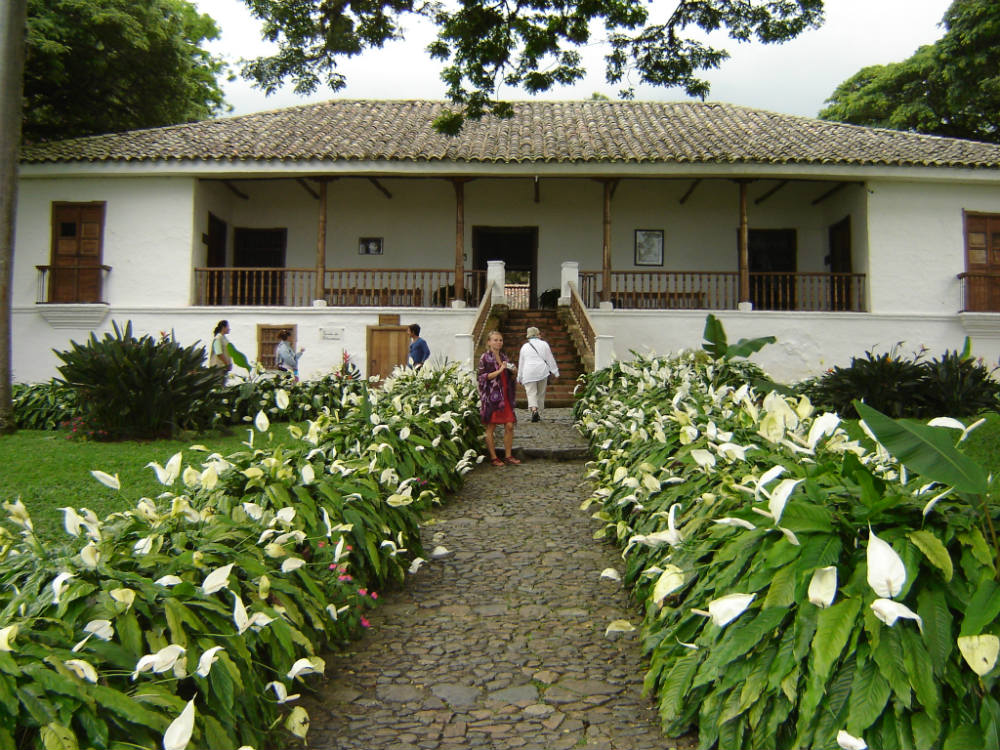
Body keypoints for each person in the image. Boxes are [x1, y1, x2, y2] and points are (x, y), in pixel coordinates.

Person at [477, 330, 520, 466]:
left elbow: (508, 378)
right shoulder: (485, 358)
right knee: (491, 427)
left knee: (509, 425)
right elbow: (482, 377)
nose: (498, 342)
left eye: (500, 340)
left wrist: (513, 372)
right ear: (489, 342)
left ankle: (508, 455)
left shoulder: (504, 357)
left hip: (505, 397)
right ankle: (494, 457)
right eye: (495, 340)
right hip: (492, 398)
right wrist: (499, 371)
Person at [517, 326, 560, 422]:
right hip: (542, 371)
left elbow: (521, 363)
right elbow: (550, 359)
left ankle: (534, 410)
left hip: (528, 372)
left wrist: (519, 377)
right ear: (538, 334)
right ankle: (538, 412)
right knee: (540, 393)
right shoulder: (544, 344)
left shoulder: (524, 347)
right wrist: (555, 372)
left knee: (531, 393)